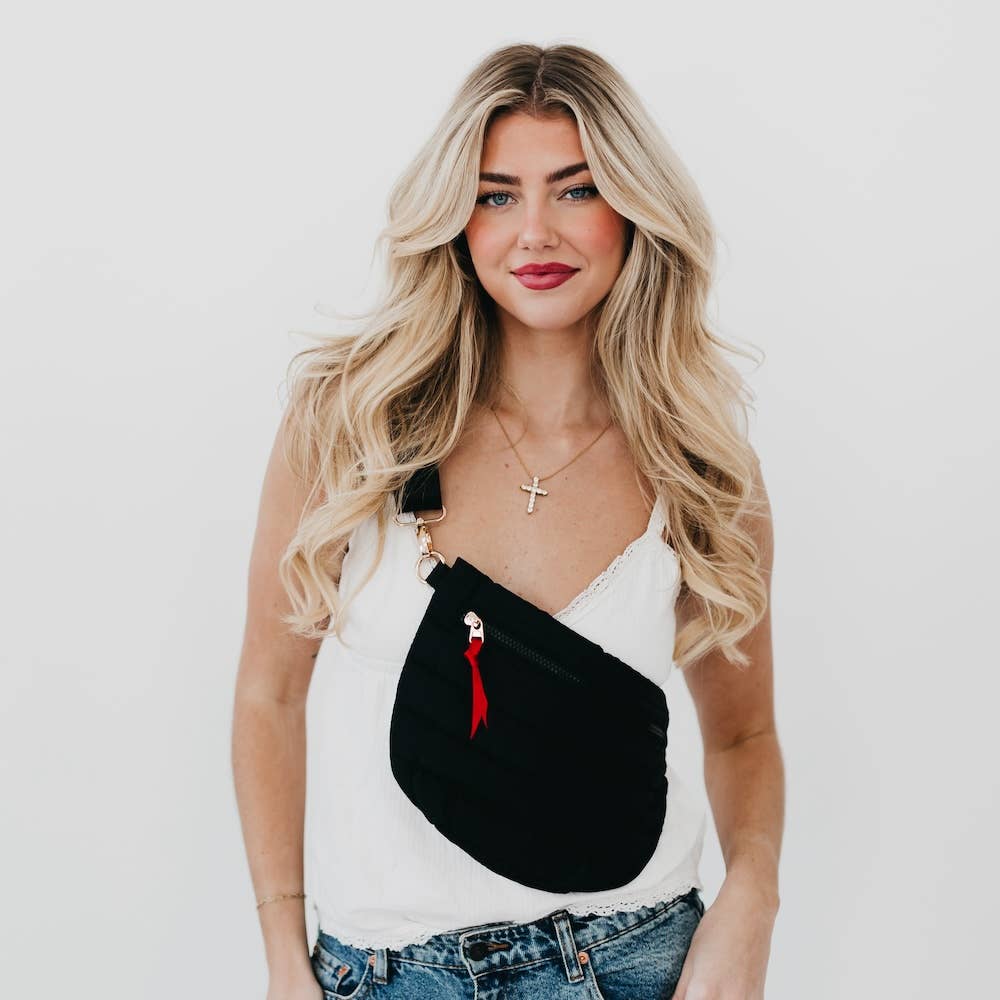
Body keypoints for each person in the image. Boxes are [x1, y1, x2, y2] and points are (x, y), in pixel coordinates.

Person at [232, 42, 783, 1000]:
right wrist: (285, 955)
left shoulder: (695, 463)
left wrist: (752, 904)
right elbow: (267, 697)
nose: (535, 233)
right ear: (456, 218)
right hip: (390, 974)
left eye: (576, 190)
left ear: (633, 207)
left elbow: (743, 736)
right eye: (496, 195)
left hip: (635, 961)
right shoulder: (353, 423)